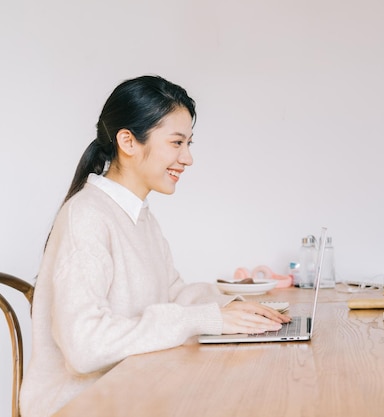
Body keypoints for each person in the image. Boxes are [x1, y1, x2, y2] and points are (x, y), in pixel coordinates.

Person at [20, 75, 290, 417]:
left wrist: (238, 307)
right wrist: (206, 319)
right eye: (177, 143)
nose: (188, 158)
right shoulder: (87, 216)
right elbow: (84, 346)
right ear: (128, 142)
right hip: (80, 403)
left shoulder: (137, 214)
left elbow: (173, 293)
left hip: (132, 390)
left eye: (189, 143)